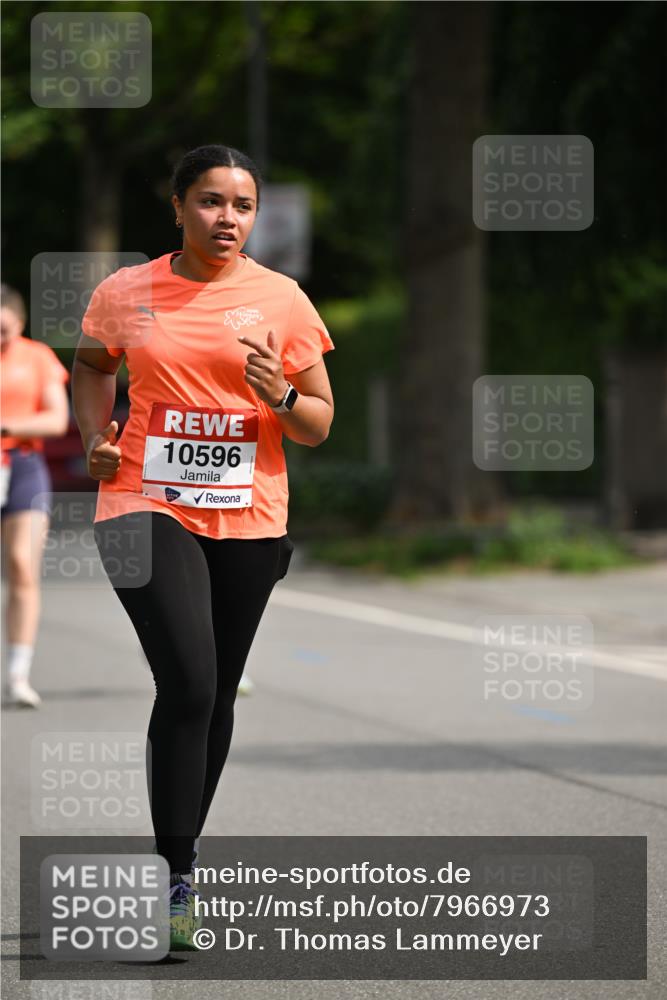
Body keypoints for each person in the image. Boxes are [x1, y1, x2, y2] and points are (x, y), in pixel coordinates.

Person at [72, 144, 335, 950]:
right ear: (179, 206)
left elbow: (317, 423)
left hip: (250, 515)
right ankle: (175, 877)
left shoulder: (281, 300)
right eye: (212, 201)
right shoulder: (127, 291)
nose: (228, 218)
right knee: (187, 679)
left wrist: (278, 393)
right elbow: (90, 368)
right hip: (143, 503)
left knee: (214, 694)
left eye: (243, 206)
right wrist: (95, 436)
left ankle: (179, 859)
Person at [1, 284, 70, 707]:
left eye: (4, 331)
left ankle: (17, 672)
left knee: (22, 565)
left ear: (20, 324)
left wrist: (7, 428)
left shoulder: (37, 357)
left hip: (23, 466)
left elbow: (57, 418)